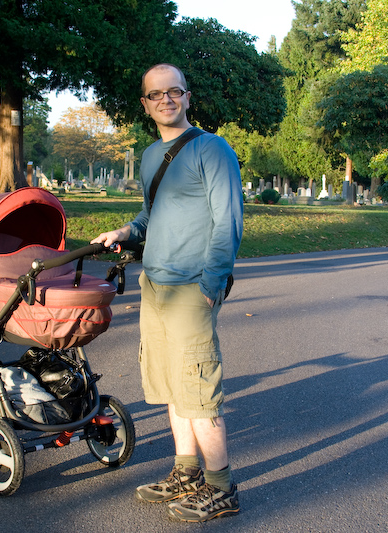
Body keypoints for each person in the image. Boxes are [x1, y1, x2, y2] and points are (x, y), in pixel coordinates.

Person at [92, 63, 243, 522]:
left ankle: (221, 488)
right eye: (156, 95)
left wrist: (211, 287)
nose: (165, 100)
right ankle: (186, 473)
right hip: (153, 287)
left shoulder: (212, 150)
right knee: (175, 389)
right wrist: (126, 231)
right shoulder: (150, 155)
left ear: (187, 97)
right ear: (145, 103)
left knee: (198, 390)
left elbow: (228, 222)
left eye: (173, 92)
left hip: (191, 290)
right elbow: (150, 215)